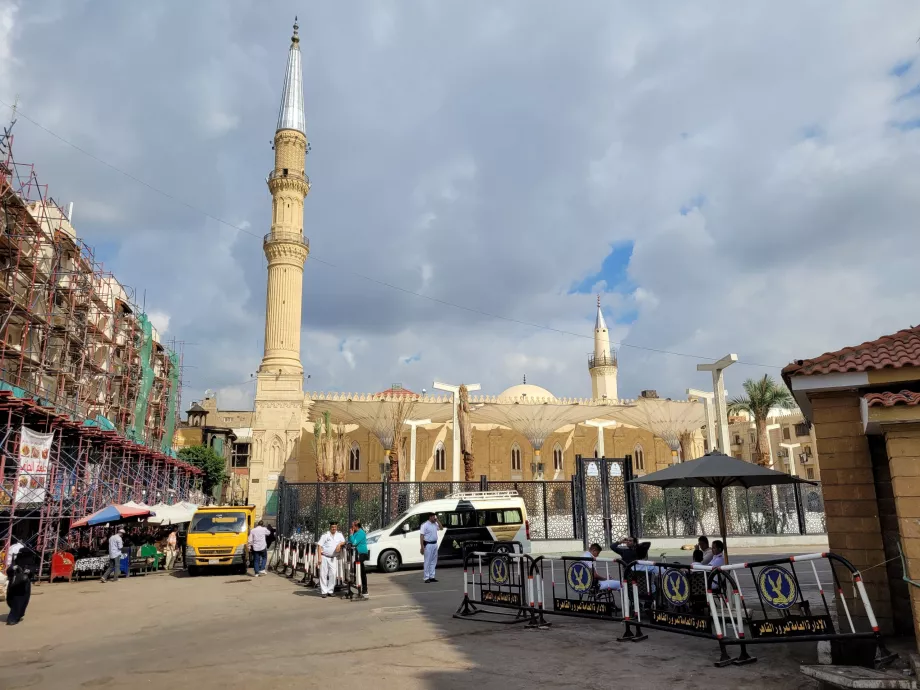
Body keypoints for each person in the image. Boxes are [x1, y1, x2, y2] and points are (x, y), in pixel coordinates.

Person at [317, 521, 346, 598]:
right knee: (323, 574)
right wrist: (319, 557)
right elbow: (319, 546)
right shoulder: (325, 535)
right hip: (324, 557)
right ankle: (324, 591)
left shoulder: (339, 535)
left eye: (335, 527)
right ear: (330, 527)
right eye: (332, 527)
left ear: (337, 527)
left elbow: (344, 541)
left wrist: (339, 544)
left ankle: (330, 590)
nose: (334, 528)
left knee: (333, 574)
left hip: (333, 558)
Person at [5, 549, 33, 625]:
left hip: (24, 586)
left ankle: (13, 618)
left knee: (20, 602)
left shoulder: (30, 562)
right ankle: (16, 615)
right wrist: (13, 568)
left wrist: (29, 572)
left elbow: (32, 572)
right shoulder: (16, 561)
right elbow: (8, 571)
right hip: (14, 584)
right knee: (12, 601)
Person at [420, 513, 442, 583]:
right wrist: (422, 547)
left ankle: (432, 576)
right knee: (427, 561)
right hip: (428, 544)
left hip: (435, 544)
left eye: (435, 517)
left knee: (433, 561)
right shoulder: (424, 525)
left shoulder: (435, 524)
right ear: (430, 517)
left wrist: (437, 520)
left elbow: (441, 528)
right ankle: (426, 577)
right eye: (433, 517)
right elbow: (421, 536)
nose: (434, 518)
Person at [350, 521, 369, 599]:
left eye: (353, 526)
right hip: (357, 554)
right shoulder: (356, 533)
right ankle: (360, 587)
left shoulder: (361, 533)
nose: (352, 528)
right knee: (359, 570)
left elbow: (354, 542)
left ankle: (364, 589)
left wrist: (351, 534)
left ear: (356, 526)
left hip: (361, 553)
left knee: (361, 571)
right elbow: (350, 541)